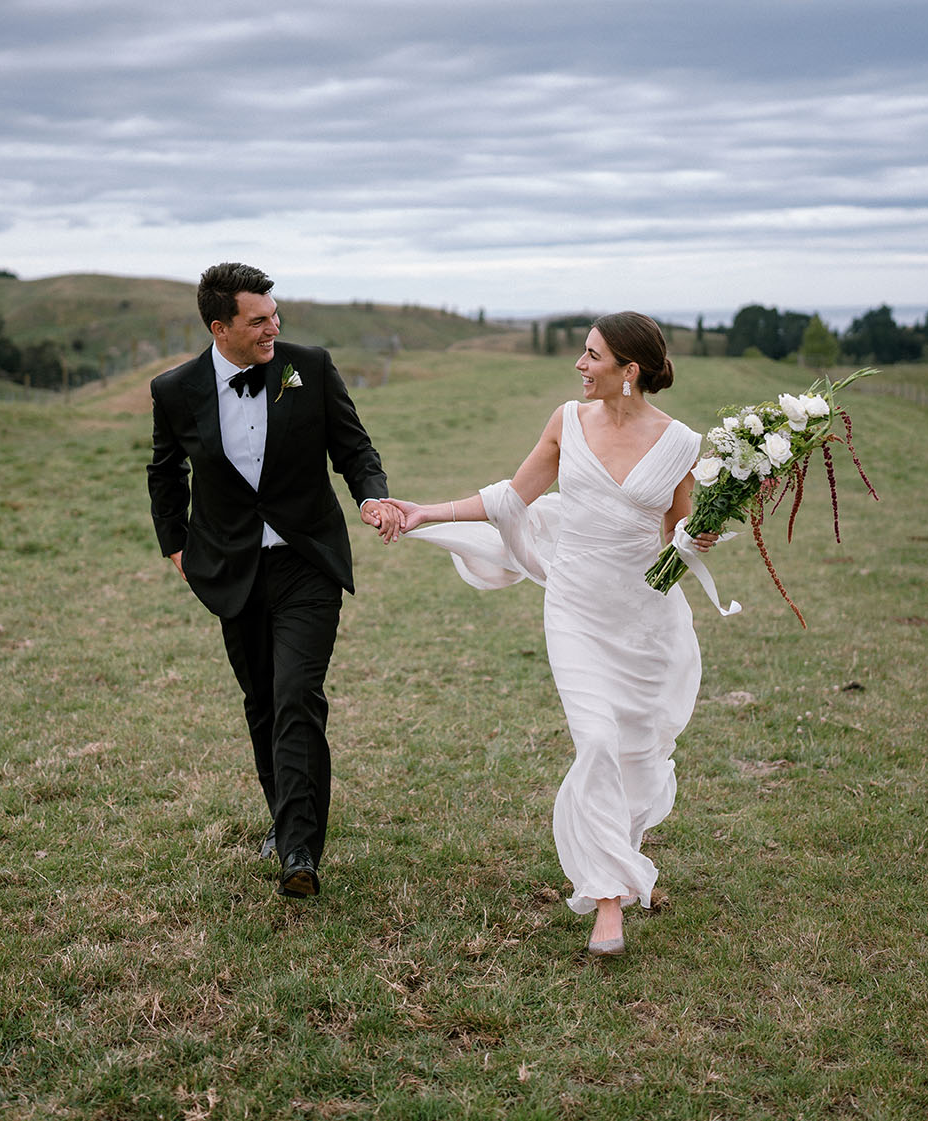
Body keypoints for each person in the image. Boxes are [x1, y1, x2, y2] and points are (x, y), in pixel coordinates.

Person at [384, 312, 718, 955]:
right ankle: (608, 902)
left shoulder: (681, 443)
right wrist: (427, 510)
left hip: (644, 617)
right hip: (575, 609)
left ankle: (617, 856)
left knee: (633, 753)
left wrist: (697, 538)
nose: (579, 366)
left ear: (630, 371)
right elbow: (513, 496)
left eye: (592, 356)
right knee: (594, 740)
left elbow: (680, 530)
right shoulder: (567, 421)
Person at [147, 262, 402, 899]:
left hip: (305, 560)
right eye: (258, 320)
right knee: (262, 701)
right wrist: (175, 547)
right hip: (231, 569)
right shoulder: (175, 390)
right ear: (219, 326)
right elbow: (164, 471)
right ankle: (286, 822)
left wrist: (372, 497)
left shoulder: (308, 366)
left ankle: (297, 848)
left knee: (296, 694)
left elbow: (354, 448)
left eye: (275, 314)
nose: (273, 327)